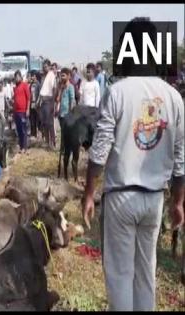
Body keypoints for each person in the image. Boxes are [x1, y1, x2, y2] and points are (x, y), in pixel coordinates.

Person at [82, 17, 185, 312]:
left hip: (121, 197)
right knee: (145, 276)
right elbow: (180, 160)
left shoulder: (117, 92)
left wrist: (89, 194)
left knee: (120, 277)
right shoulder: (174, 98)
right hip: (154, 200)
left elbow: (99, 152)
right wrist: (178, 202)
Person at [38, 59, 57, 149]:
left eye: (46, 66)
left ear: (49, 66)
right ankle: (47, 141)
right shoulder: (43, 77)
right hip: (43, 101)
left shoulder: (51, 75)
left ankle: (53, 142)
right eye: (43, 66)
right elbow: (42, 90)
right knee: (44, 122)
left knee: (50, 123)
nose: (44, 68)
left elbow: (54, 89)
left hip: (49, 101)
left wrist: (53, 103)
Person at [13, 70, 31, 154]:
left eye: (18, 77)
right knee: (19, 130)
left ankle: (25, 147)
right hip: (16, 112)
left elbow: (28, 98)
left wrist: (27, 109)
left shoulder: (24, 85)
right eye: (15, 77)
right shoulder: (15, 87)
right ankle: (21, 146)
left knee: (24, 130)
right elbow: (15, 100)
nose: (16, 78)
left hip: (23, 112)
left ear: (20, 77)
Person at [29, 71, 41, 139]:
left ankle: (39, 133)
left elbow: (40, 94)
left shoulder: (38, 84)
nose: (31, 77)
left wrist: (38, 103)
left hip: (37, 104)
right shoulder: (31, 85)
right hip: (31, 104)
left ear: (35, 76)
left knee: (38, 119)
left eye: (32, 76)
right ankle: (33, 134)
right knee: (32, 119)